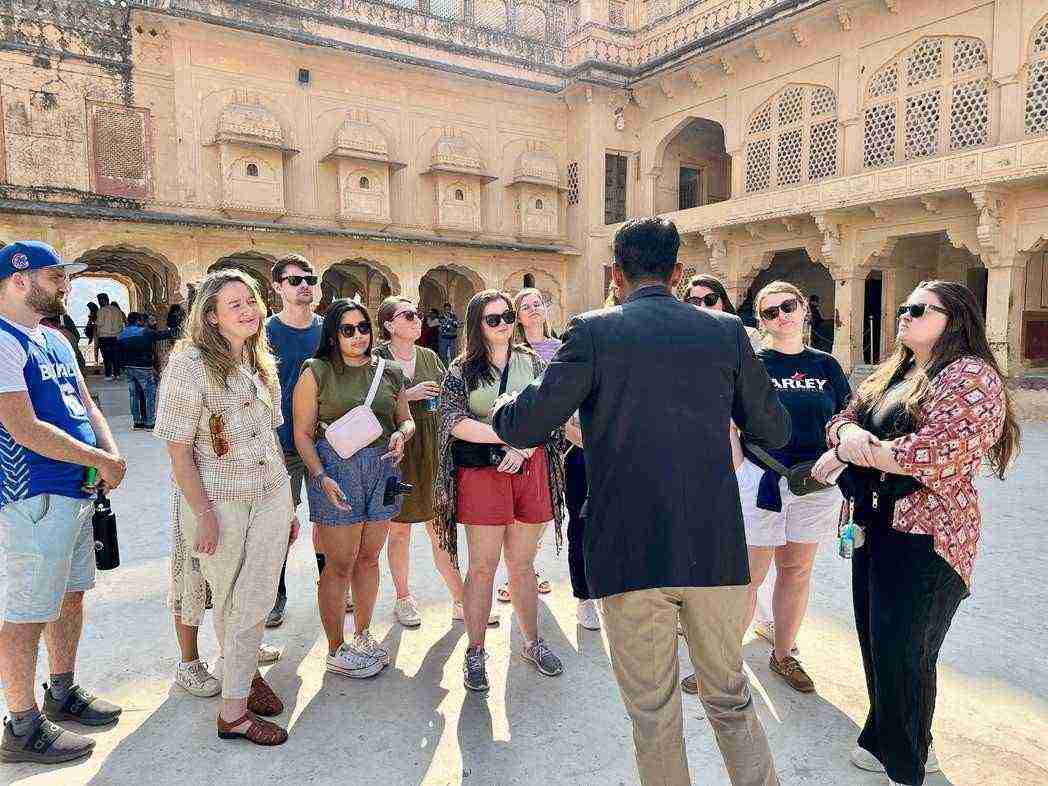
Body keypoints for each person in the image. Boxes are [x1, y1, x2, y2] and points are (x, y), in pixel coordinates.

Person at [491, 217, 788, 786]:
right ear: (679, 272)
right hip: (713, 546)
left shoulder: (595, 332)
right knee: (729, 698)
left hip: (631, 552)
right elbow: (771, 428)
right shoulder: (724, 332)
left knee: (653, 714)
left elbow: (527, 422)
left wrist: (510, 401)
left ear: (615, 274)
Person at [812, 280, 1020, 786]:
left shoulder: (971, 376)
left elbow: (935, 454)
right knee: (877, 641)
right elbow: (842, 415)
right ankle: (883, 737)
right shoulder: (899, 370)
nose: (903, 315)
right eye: (903, 307)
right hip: (874, 525)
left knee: (907, 651)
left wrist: (848, 451)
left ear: (955, 319)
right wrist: (848, 434)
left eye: (918, 308)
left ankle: (907, 763)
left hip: (928, 538)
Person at [154, 269, 298, 747]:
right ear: (211, 317)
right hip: (221, 499)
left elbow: (271, 438)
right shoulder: (190, 363)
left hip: (270, 494)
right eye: (233, 304)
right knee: (235, 596)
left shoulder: (261, 361)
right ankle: (234, 710)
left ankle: (241, 681)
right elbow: (178, 449)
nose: (248, 310)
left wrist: (288, 506)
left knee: (253, 596)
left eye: (251, 301)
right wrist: (204, 514)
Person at [0, 241, 126, 765]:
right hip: (34, 495)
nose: (66, 285)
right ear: (19, 279)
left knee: (71, 597)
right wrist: (95, 457)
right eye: (56, 276)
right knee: (28, 612)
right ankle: (22, 724)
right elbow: (22, 425)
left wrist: (109, 455)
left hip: (76, 489)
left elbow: (86, 402)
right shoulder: (3, 341)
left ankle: (62, 689)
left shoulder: (52, 339)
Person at [435, 289, 567, 692]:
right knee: (482, 566)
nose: (503, 324)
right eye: (492, 319)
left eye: (507, 315)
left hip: (530, 466)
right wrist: (506, 437)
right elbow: (453, 420)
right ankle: (475, 652)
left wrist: (524, 445)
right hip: (483, 475)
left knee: (522, 565)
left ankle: (532, 642)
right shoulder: (460, 370)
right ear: (477, 324)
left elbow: (553, 414)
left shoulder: (536, 362)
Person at [729, 281, 851, 694]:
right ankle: (725, 664)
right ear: (761, 321)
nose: (781, 315)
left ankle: (782, 656)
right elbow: (728, 416)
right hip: (763, 478)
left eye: (788, 306)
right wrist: (739, 463)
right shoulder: (753, 363)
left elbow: (847, 415)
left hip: (814, 481)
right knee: (751, 575)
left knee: (796, 570)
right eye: (769, 311)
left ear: (804, 309)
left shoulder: (826, 365)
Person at [292, 298, 414, 679]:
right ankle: (335, 648)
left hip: (381, 470)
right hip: (336, 472)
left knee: (368, 559)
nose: (358, 335)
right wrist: (320, 475)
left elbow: (406, 420)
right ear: (333, 334)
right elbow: (302, 432)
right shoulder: (317, 371)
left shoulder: (389, 371)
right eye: (348, 329)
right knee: (339, 564)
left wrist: (401, 436)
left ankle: (362, 634)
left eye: (363, 327)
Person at [375, 296, 495, 629]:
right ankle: (403, 598)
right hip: (397, 451)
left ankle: (460, 599)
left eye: (417, 313)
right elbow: (370, 406)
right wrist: (408, 396)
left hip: (431, 448)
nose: (417, 319)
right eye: (409, 315)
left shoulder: (428, 356)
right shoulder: (378, 359)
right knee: (398, 532)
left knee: (440, 528)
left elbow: (447, 400)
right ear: (388, 325)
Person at [677, 274, 770, 694]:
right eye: (691, 299)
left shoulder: (741, 338)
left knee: (744, 566)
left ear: (724, 301)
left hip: (744, 462)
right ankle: (709, 644)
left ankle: (727, 652)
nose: (700, 304)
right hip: (697, 462)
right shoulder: (678, 341)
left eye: (709, 298)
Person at [491, 286, 562, 605]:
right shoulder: (511, 350)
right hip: (516, 443)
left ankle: (526, 568)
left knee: (542, 513)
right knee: (515, 514)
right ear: (516, 316)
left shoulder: (562, 348)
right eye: (525, 306)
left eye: (538, 304)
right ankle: (518, 573)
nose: (533, 310)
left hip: (558, 442)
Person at [264, 254, 323, 628]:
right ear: (277, 287)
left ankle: (331, 585)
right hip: (280, 445)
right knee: (279, 524)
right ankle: (275, 596)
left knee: (331, 520)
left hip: (326, 443)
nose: (304, 285)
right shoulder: (264, 332)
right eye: (295, 280)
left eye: (309, 279)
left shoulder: (329, 329)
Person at [118, 312, 177, 430]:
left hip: (129, 367)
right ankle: (150, 422)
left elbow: (117, 353)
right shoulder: (144, 331)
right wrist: (175, 329)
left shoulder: (122, 334)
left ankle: (137, 422)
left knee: (134, 395)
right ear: (139, 321)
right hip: (143, 367)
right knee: (149, 394)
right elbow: (161, 335)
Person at [95, 293, 125, 380]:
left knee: (107, 357)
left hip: (105, 337)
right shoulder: (117, 310)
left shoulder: (101, 310)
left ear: (102, 300)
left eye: (100, 300)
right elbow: (121, 324)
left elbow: (99, 324)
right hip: (117, 336)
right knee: (116, 356)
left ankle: (108, 374)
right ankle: (117, 374)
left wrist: (97, 335)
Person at [84, 301, 98, 368]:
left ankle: (96, 361)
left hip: (96, 330)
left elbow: (91, 321)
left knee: (96, 347)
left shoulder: (94, 313)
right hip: (97, 330)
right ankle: (96, 361)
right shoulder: (97, 312)